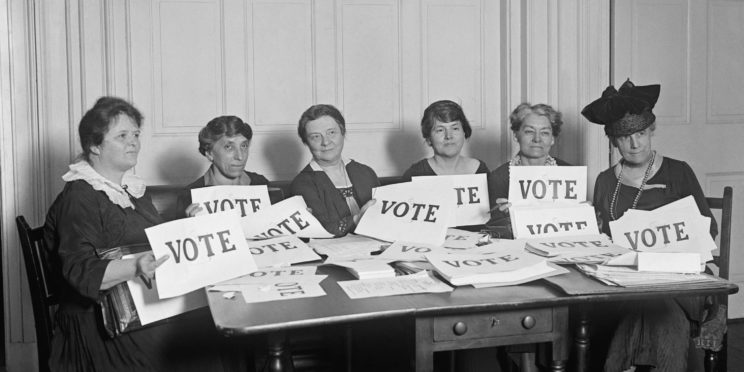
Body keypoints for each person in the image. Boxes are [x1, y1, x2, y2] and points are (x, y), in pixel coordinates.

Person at [43, 97, 242, 372]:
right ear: (94, 145)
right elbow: (79, 271)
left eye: (135, 134)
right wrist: (135, 265)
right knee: (197, 348)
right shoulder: (80, 197)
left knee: (212, 329)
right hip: (100, 322)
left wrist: (186, 224)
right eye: (122, 135)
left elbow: (152, 240)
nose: (134, 142)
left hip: (139, 306)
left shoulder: (132, 191)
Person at [582, 79, 717, 372]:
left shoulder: (678, 172)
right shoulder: (606, 181)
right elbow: (601, 238)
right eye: (625, 137)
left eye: (641, 133)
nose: (635, 144)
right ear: (613, 140)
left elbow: (709, 230)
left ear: (651, 131)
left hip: (679, 281)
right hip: (626, 283)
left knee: (654, 306)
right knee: (648, 307)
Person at [291, 104, 379, 237]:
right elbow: (318, 230)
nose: (326, 142)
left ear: (343, 133)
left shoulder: (366, 173)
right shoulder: (302, 184)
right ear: (306, 142)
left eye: (331, 132)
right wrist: (356, 219)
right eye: (315, 137)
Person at [486, 102, 570, 238]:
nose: (537, 139)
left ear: (552, 139)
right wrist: (503, 219)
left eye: (545, 133)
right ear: (515, 135)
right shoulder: (499, 178)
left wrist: (585, 212)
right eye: (529, 131)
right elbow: (492, 230)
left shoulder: (569, 172)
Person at [177, 115, 269, 217]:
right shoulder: (190, 196)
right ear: (209, 153)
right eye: (228, 147)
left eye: (244, 146)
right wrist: (189, 226)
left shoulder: (261, 184)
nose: (240, 156)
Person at [402, 100, 489, 181]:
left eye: (455, 128)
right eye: (440, 130)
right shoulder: (415, 174)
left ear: (464, 132)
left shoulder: (480, 169)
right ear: (429, 139)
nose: (448, 136)